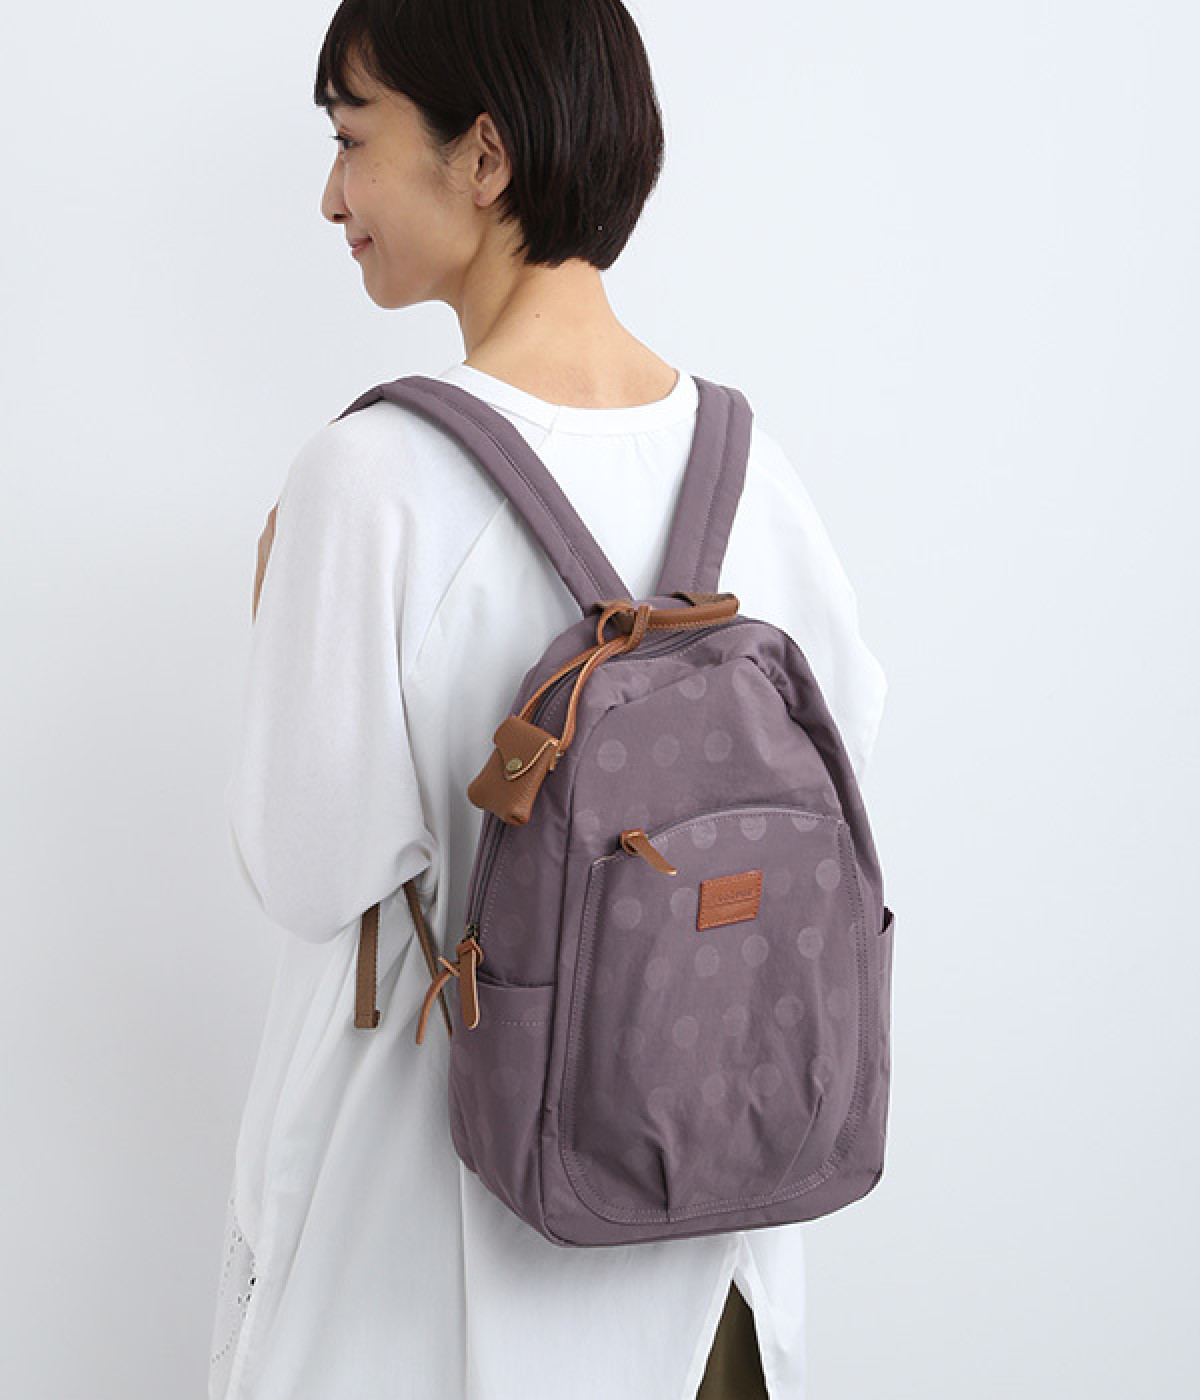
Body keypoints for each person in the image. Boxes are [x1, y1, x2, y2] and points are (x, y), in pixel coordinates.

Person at [210, 2, 888, 1397]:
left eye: (352, 139)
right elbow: (842, 778)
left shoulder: (371, 477)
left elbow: (308, 869)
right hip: (713, 1277)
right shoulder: (749, 465)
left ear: (483, 156)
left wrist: (278, 613)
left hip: (435, 1270)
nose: (331, 197)